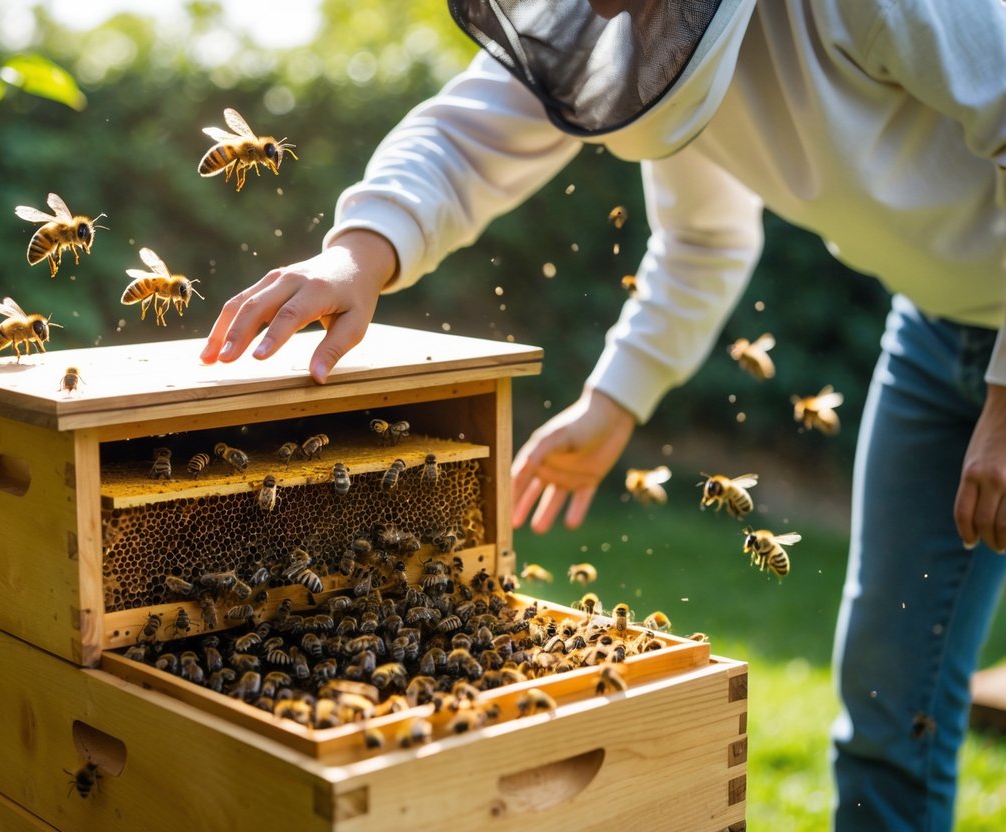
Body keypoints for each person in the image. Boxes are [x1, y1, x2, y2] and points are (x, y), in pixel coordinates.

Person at [200, 1, 1006, 828]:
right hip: (935, 326)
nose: (590, 8)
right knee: (888, 694)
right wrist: (359, 255)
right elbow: (679, 228)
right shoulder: (649, 41)